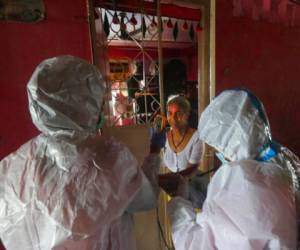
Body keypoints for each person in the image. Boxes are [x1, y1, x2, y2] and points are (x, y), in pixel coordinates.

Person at [0, 55, 161, 250]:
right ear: (85, 103)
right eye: (98, 101)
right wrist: (154, 153)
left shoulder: (11, 167)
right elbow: (144, 199)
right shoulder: (109, 156)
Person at [168, 89, 299, 250]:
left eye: (219, 149)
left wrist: (178, 206)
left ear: (232, 141)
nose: (219, 155)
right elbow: (231, 214)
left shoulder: (247, 181)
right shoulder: (280, 156)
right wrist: (194, 194)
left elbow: (198, 245)